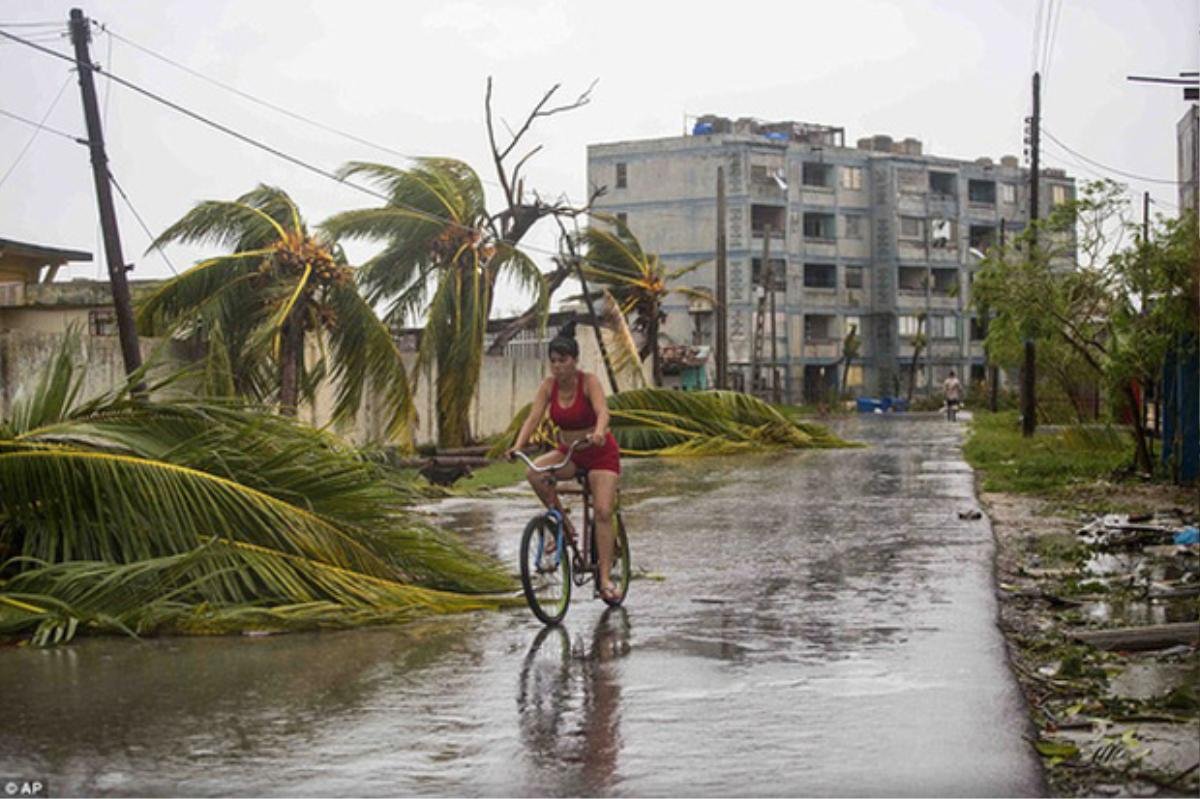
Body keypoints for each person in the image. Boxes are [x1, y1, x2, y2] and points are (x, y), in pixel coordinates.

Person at [506, 322, 623, 602]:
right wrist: (518, 445)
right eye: (553, 361)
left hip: (599, 452)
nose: (557, 367)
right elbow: (533, 417)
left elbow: (603, 411)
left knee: (604, 511)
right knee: (535, 473)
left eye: (563, 360)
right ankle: (564, 525)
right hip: (569, 451)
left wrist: (598, 432)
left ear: (574, 361)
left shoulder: (589, 381)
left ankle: (605, 579)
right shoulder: (548, 386)